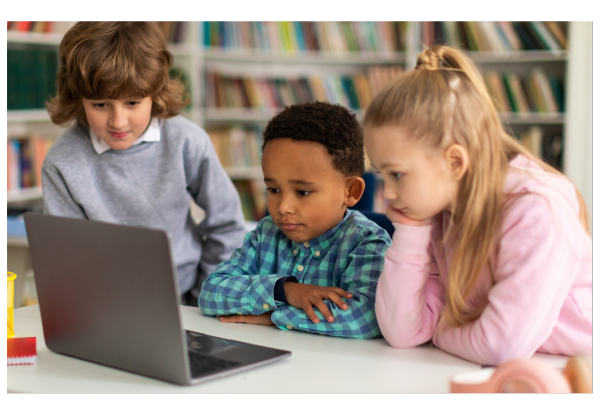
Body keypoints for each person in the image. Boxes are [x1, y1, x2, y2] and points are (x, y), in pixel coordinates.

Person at [366, 45, 592, 365]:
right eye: (381, 173)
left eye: (397, 174)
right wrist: (411, 232)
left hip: (575, 367)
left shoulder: (535, 211)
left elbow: (502, 347)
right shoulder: (439, 211)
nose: (387, 193)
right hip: (528, 363)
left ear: (455, 162)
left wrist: (441, 332)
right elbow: (403, 332)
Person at [42, 21, 246, 305]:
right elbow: (68, 257)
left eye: (133, 103)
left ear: (155, 92)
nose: (118, 121)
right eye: (100, 105)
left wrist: (206, 296)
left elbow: (227, 227)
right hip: (105, 305)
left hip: (188, 297)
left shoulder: (187, 141)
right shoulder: (61, 162)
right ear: (79, 99)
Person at [199, 102, 392, 339]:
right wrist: (284, 290)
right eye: (273, 189)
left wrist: (274, 317)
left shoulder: (367, 241)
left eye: (302, 192)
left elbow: (365, 318)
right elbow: (210, 292)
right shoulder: (266, 233)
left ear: (350, 191)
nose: (282, 207)